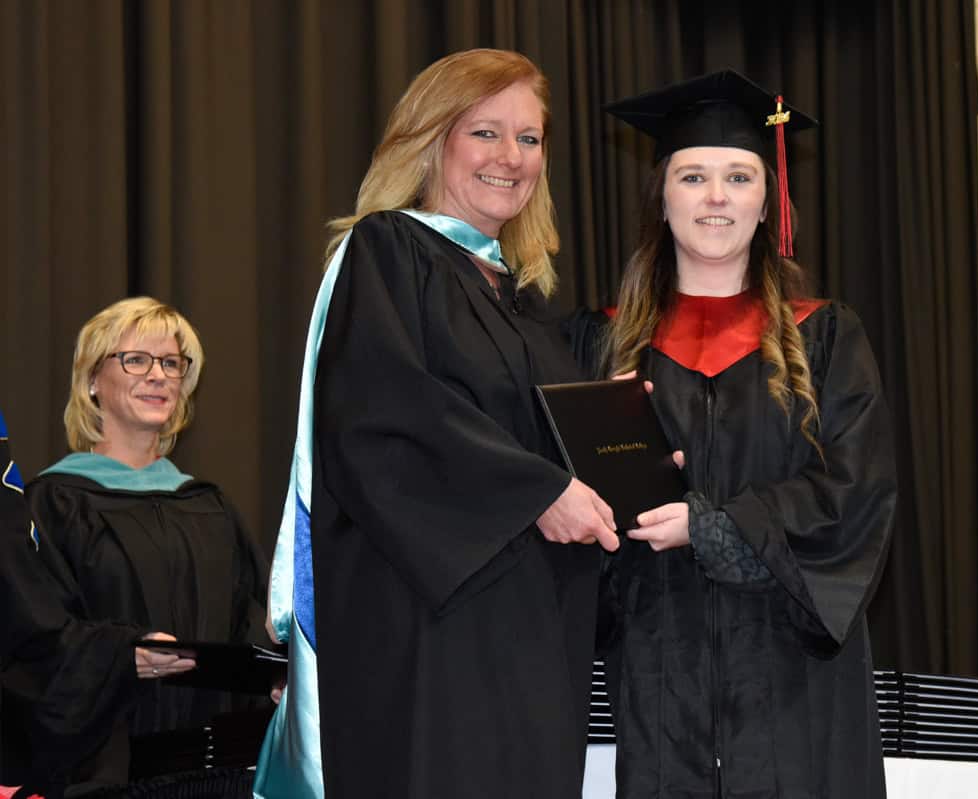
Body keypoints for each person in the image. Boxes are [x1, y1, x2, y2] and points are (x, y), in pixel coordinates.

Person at [254, 49, 617, 799]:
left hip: (532, 642)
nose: (511, 158)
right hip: (434, 633)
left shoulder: (525, 304)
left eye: (530, 138)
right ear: (431, 138)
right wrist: (540, 491)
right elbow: (387, 413)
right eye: (486, 132)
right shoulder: (388, 252)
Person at [594, 71, 898, 797]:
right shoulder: (602, 347)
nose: (717, 196)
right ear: (662, 199)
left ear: (770, 201)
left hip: (797, 693)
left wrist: (713, 527)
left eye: (739, 175)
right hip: (660, 689)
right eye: (693, 176)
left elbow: (857, 497)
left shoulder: (826, 339)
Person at [13, 298, 266, 791]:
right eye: (136, 360)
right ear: (91, 381)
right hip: (106, 775)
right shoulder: (52, 506)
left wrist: (274, 679)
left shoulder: (209, 508)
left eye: (172, 363)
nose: (158, 376)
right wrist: (118, 655)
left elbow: (251, 622)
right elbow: (29, 642)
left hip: (219, 775)